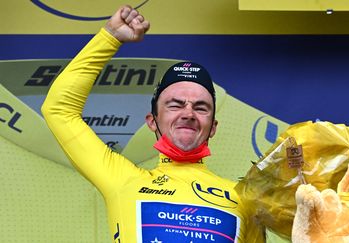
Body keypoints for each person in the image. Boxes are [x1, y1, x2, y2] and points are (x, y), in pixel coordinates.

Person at [41, 5, 265, 243]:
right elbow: (59, 110)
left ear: (213, 127)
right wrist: (110, 37)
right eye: (175, 105)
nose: (188, 113)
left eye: (200, 107)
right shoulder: (122, 179)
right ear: (152, 121)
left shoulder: (244, 200)